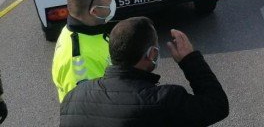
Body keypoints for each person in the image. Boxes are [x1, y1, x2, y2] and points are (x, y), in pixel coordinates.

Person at [60, 17, 229, 127]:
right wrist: (190, 60)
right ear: (152, 54)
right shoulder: (164, 100)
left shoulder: (72, 98)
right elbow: (217, 105)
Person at [52, 0, 114, 102]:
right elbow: (90, 111)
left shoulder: (87, 30)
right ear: (95, 12)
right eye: (110, 0)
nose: (113, 3)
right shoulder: (79, 62)